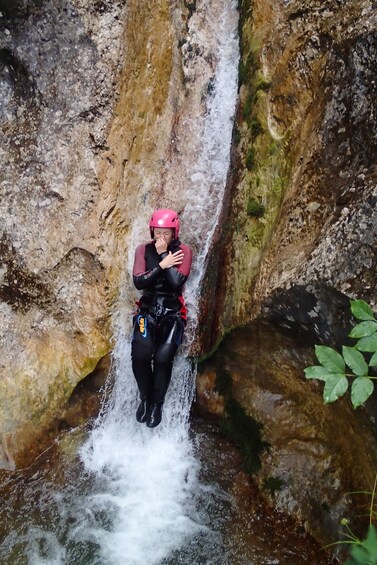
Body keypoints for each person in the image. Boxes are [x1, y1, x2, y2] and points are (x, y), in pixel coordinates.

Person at [131, 208, 193, 428]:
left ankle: (158, 404)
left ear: (174, 233)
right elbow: (139, 281)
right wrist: (161, 265)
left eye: (166, 233)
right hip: (147, 311)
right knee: (140, 354)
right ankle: (145, 399)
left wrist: (166, 255)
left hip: (173, 314)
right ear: (152, 231)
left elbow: (177, 282)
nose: (161, 238)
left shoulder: (184, 251)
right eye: (158, 233)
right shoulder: (143, 250)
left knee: (162, 359)